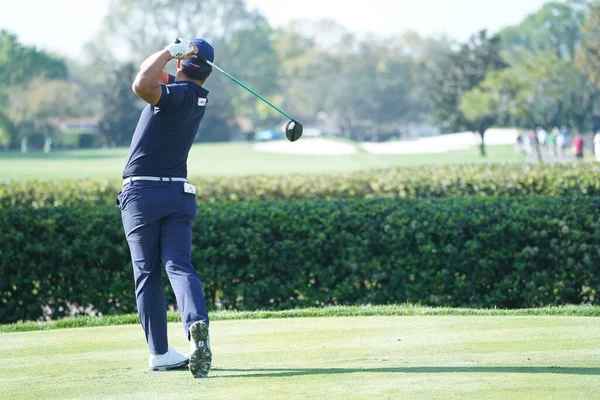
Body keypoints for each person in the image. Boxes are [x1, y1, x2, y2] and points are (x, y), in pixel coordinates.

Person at [116, 38, 214, 378]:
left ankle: (159, 352)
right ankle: (196, 323)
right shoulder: (197, 96)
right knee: (178, 265)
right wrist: (171, 57)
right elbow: (152, 74)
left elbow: (141, 82)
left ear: (181, 64)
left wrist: (171, 50)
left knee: (147, 274)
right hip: (178, 194)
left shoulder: (178, 95)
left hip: (144, 194)